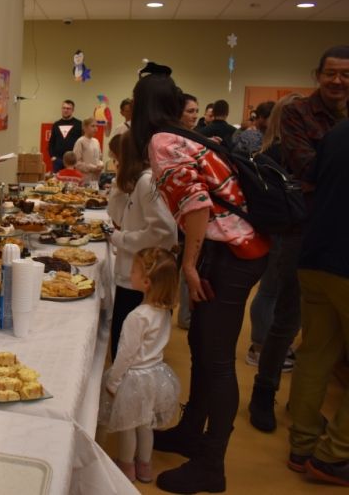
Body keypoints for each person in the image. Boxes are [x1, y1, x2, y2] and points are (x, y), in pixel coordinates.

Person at [131, 70, 269, 494]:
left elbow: (196, 203)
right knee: (202, 347)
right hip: (232, 250)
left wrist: (189, 266)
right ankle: (193, 432)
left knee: (217, 359)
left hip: (231, 253)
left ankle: (212, 465)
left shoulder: (162, 141)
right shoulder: (185, 136)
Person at [249, 45, 349, 433]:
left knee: (322, 335)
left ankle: (303, 405)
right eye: (331, 73)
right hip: (303, 231)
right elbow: (308, 167)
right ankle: (264, 392)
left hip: (340, 232)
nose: (338, 81)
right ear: (317, 76)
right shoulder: (298, 113)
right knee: (287, 319)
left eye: (345, 74)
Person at [288, 119, 349, 485]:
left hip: (315, 255)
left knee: (314, 356)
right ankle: (335, 456)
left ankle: (302, 446)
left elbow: (310, 182)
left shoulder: (336, 134)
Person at [98, 247, 181, 484]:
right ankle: (144, 466)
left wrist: (113, 381)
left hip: (132, 379)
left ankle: (126, 466)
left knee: (127, 425)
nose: (129, 273)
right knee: (145, 424)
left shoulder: (137, 316)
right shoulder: (163, 311)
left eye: (133, 270)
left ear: (146, 282)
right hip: (154, 375)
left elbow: (125, 354)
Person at [244, 96, 303, 381]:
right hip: (285, 230)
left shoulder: (268, 150)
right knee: (274, 293)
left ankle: (261, 346)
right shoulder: (286, 151)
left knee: (270, 291)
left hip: (272, 229)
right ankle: (262, 348)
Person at [106, 131, 177, 362]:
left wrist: (121, 239)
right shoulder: (139, 181)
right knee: (124, 342)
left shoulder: (147, 182)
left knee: (128, 348)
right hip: (134, 273)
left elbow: (163, 231)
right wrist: (118, 183)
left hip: (140, 277)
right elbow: (117, 214)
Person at [176, 93, 199, 330]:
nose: (195, 115)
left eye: (196, 111)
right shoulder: (172, 141)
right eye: (190, 111)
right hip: (177, 213)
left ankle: (185, 314)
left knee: (187, 265)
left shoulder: (195, 139)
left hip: (190, 213)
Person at [48, 99, 83, 172]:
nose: (65, 110)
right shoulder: (56, 124)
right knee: (58, 179)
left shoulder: (79, 124)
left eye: (68, 108)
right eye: (64, 108)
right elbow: (51, 142)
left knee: (73, 179)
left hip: (73, 161)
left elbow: (83, 142)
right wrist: (53, 157)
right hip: (58, 161)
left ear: (73, 110)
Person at [72, 117, 104, 185]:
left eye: (96, 126)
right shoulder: (80, 141)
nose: (95, 128)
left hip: (96, 180)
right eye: (92, 126)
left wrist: (100, 165)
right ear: (85, 128)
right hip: (84, 179)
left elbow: (99, 158)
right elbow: (76, 162)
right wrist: (92, 168)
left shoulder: (96, 141)